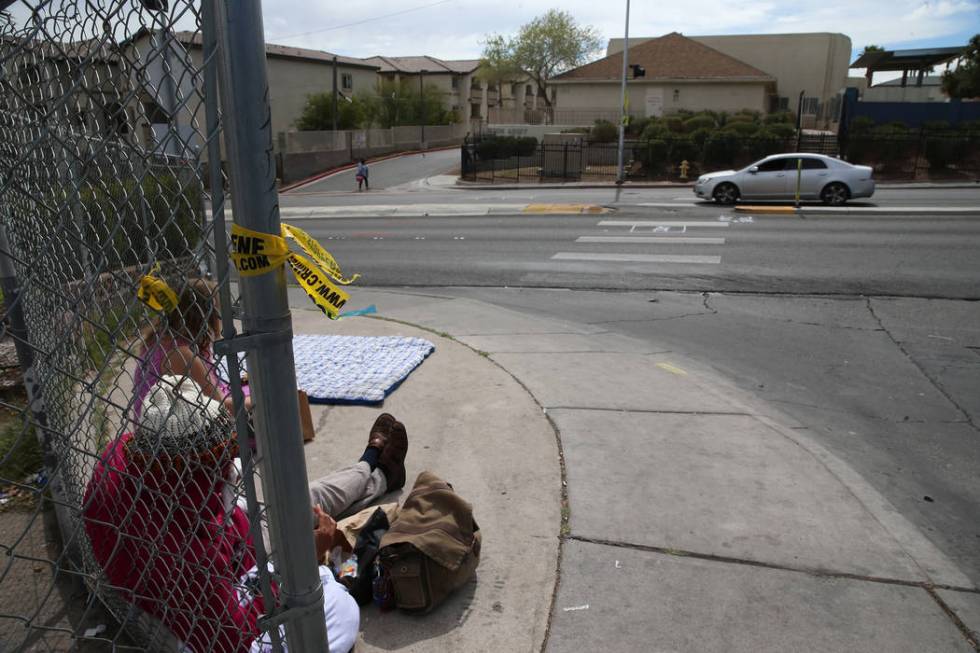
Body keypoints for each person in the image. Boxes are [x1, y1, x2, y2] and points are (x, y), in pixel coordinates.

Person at [83, 376, 409, 653]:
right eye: (221, 466)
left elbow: (230, 537)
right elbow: (234, 638)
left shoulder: (129, 456)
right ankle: (376, 469)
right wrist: (301, 562)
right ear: (197, 473)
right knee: (341, 606)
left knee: (300, 502)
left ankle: (373, 468)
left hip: (226, 547)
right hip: (223, 592)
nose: (232, 473)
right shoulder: (190, 555)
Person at [132, 277, 230, 419]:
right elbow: (220, 405)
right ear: (207, 314)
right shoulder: (180, 353)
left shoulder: (159, 339)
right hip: (171, 435)